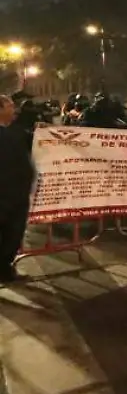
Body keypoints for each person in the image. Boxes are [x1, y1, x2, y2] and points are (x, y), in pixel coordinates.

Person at [0, 95, 35, 282]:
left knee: (12, 234)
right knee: (9, 233)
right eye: (10, 106)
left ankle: (4, 270)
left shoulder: (15, 131)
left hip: (16, 194)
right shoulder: (8, 134)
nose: (15, 109)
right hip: (7, 194)